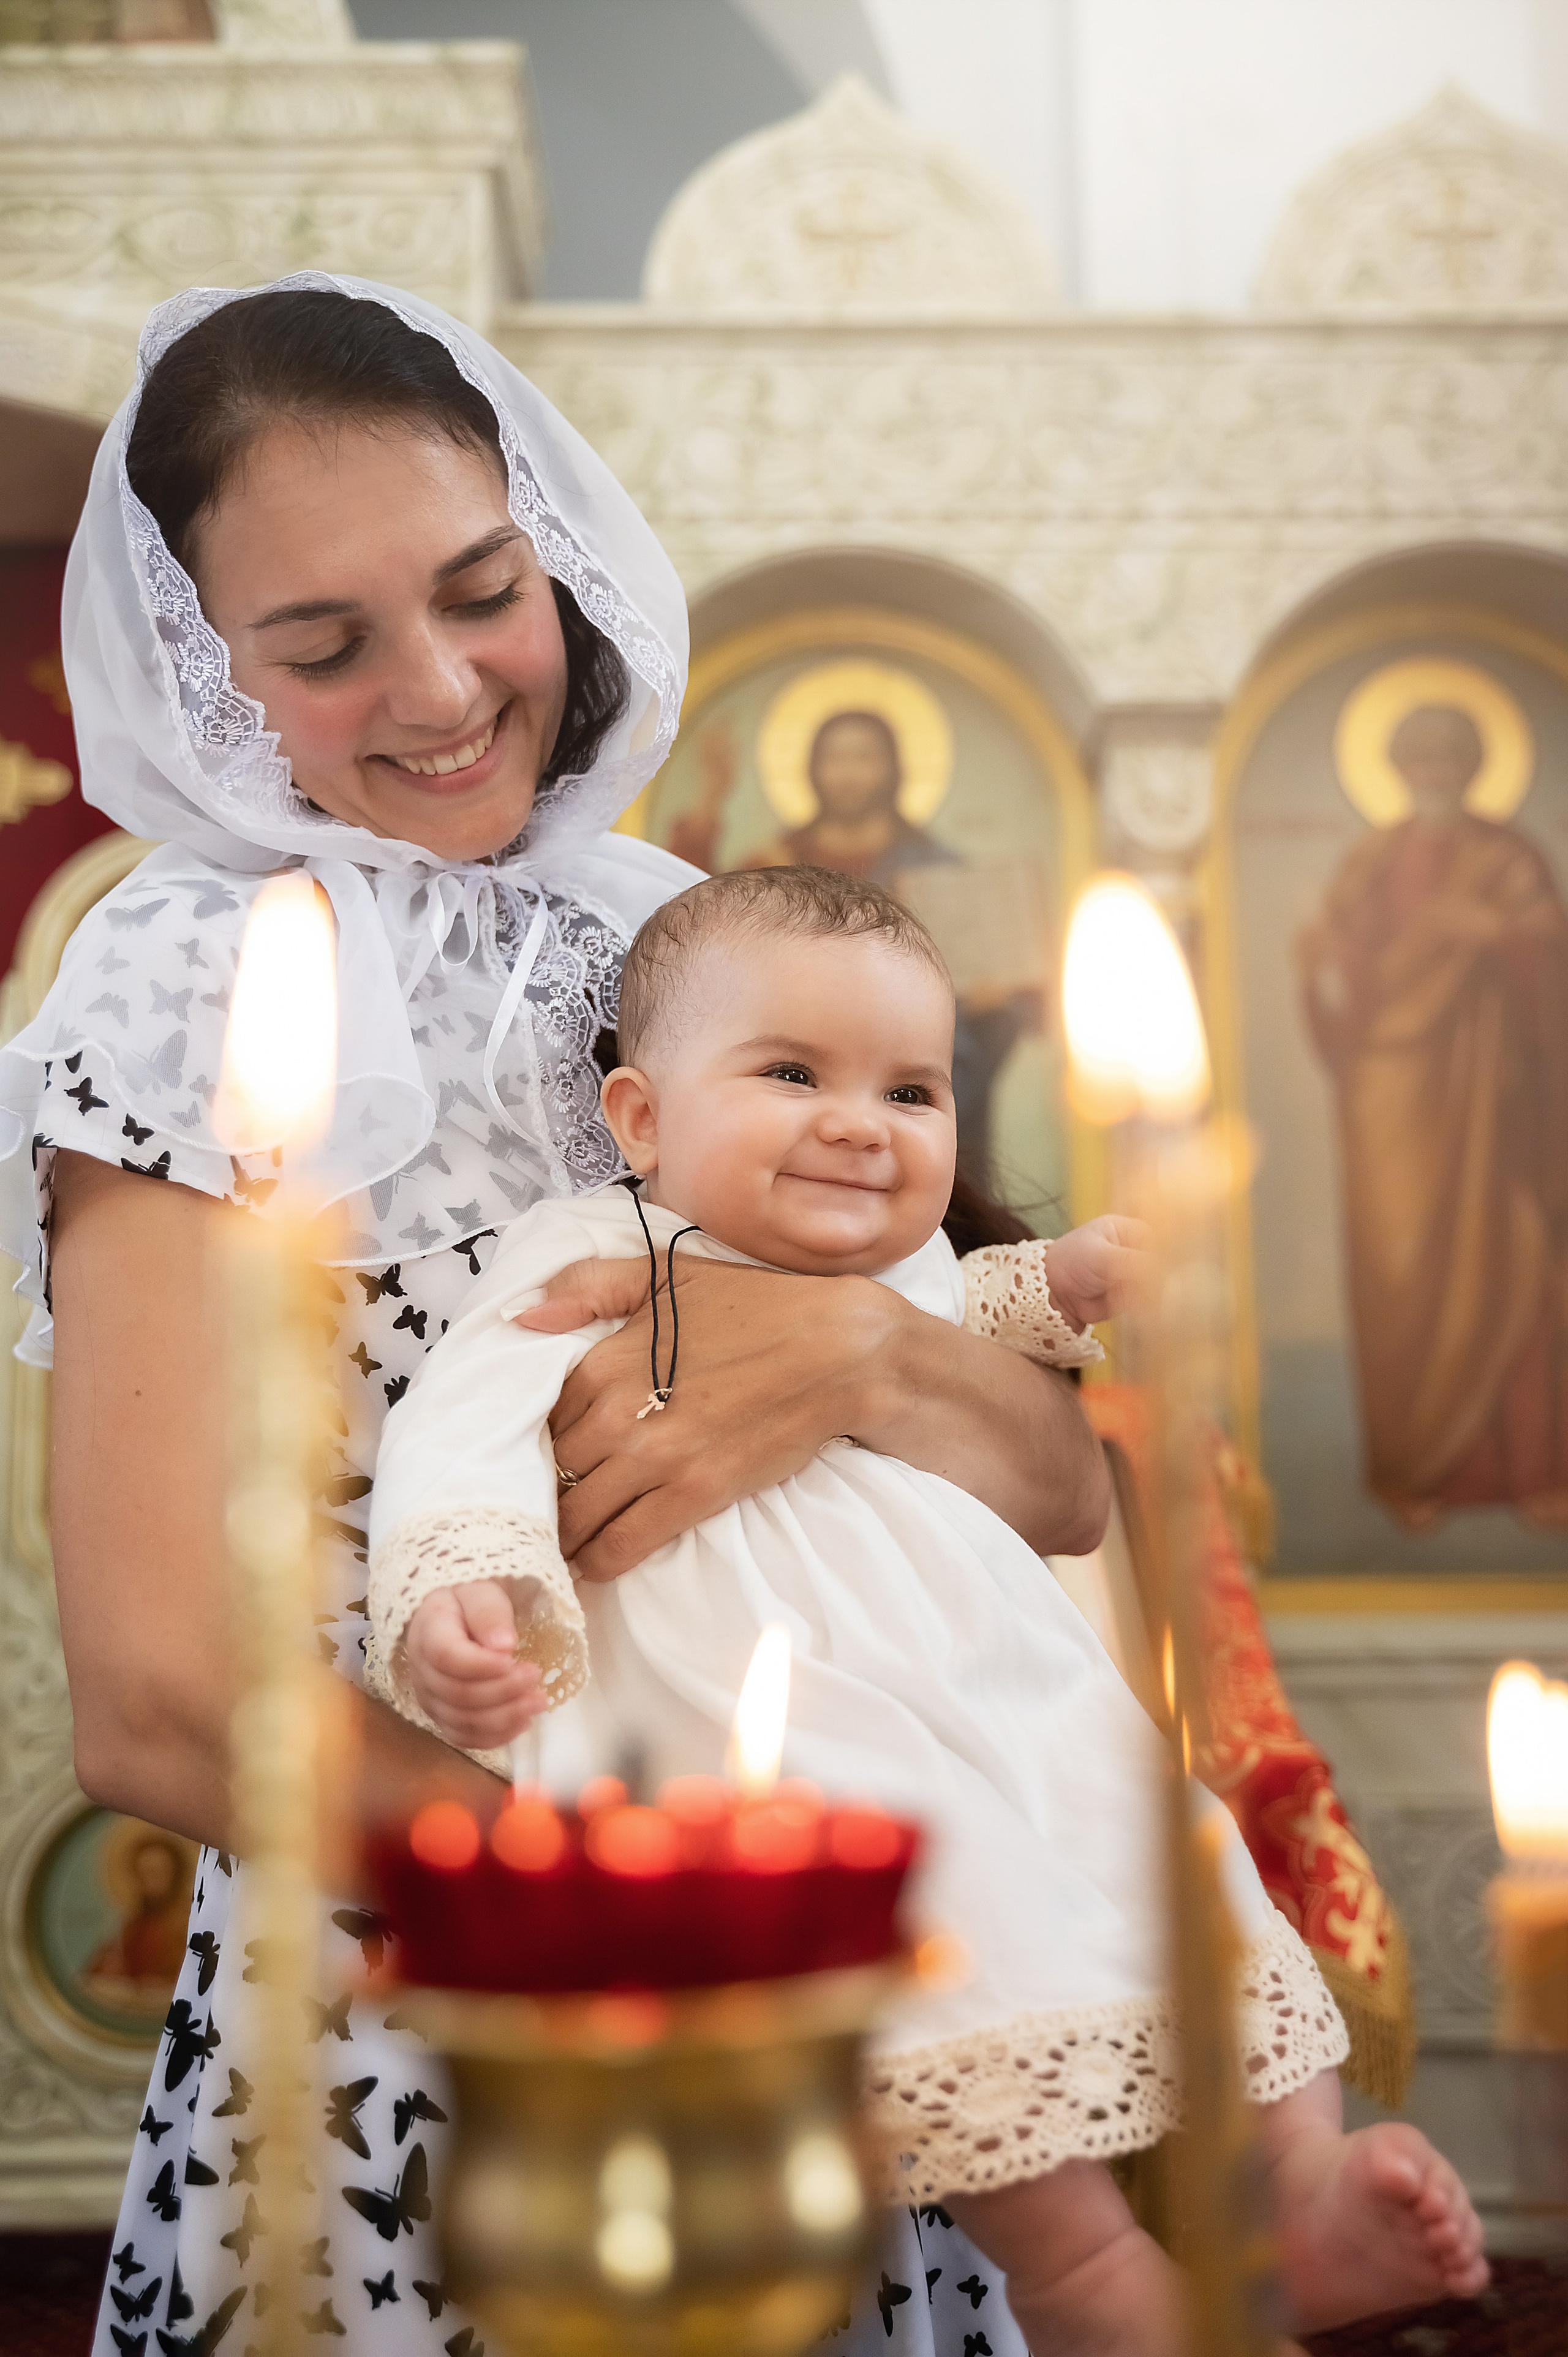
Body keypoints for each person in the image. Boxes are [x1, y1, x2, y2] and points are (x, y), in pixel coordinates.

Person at [0, 273, 1117, 2357]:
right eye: (322, 646)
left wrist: (869, 1353)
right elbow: (157, 1697)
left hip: (823, 1972)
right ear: (210, 675)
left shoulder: (670, 930)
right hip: (433, 2007)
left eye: (481, 588)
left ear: (558, 552)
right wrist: (663, 1921)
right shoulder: (181, 994)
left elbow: (1054, 1482)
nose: (438, 688)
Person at [369, 866, 1488, 2356]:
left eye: (911, 1088)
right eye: (790, 1074)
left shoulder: (898, 1267)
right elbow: (465, 1419)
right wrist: (462, 1582)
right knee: (960, 1952)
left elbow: (979, 1307)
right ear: (639, 1119)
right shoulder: (590, 1255)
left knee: (1176, 1871)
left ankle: (1287, 2195)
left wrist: (1068, 1281)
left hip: (1000, 1681)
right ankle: (1089, 2278)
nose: (860, 1121)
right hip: (778, 1723)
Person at [1298, 701, 1568, 1528]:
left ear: (1477, 761)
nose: (1435, 765)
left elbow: (1552, 962)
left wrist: (1500, 937)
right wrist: (1321, 961)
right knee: (1404, 1278)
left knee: (1510, 1265)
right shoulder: (1369, 862)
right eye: (1419, 751)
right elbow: (1342, 975)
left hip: (1494, 1100)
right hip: (1390, 1100)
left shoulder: (1506, 858)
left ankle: (1531, 1473)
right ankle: (1416, 1473)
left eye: (1452, 750)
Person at [677, 707, 1038, 1188]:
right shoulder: (773, 867)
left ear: (892, 769)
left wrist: (996, 1006)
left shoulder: (941, 872)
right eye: (835, 759)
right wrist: (710, 799)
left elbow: (1013, 998)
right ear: (812, 770)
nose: (849, 774)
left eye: (865, 758)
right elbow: (693, 929)